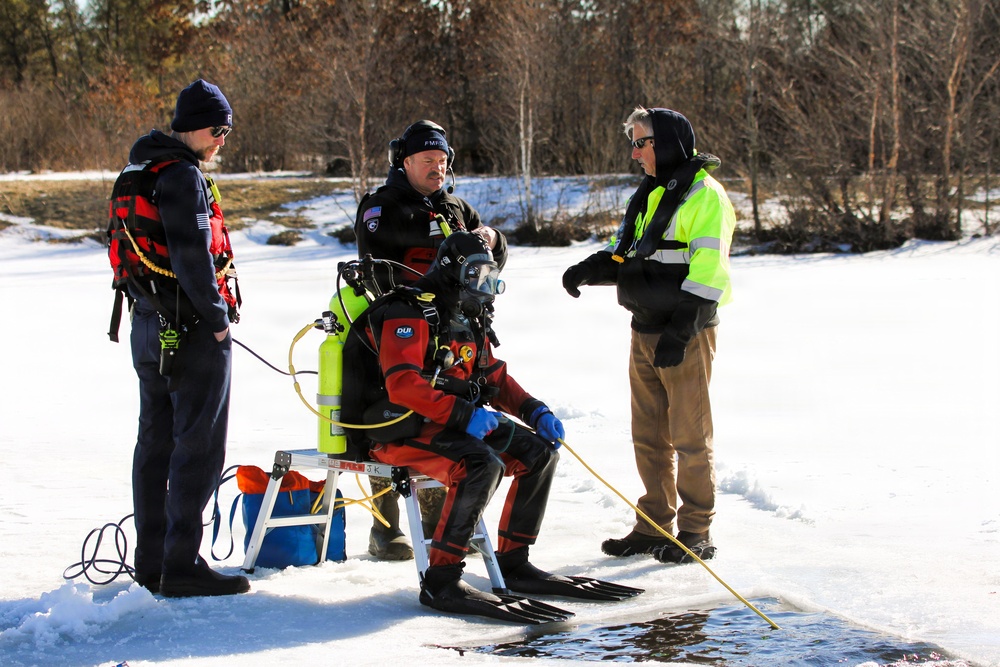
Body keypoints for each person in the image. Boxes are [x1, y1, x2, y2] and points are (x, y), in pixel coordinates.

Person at [342, 232, 641, 622]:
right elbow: (402, 385)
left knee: (538, 454)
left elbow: (492, 377)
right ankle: (441, 579)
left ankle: (514, 562)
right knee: (481, 464)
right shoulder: (408, 312)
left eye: (490, 274)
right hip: (394, 430)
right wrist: (466, 417)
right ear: (452, 272)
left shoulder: (467, 313)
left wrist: (534, 410)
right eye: (475, 274)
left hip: (446, 421)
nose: (484, 284)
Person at [561, 107, 735, 564]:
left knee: (690, 436)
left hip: (686, 334)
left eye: (641, 143)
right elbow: (629, 255)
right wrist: (589, 270)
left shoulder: (705, 196)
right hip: (644, 329)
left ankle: (696, 530)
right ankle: (654, 525)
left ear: (667, 142)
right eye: (633, 143)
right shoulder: (651, 193)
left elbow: (709, 275)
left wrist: (681, 332)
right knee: (649, 436)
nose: (634, 153)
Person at [353, 120, 507, 561]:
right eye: (428, 161)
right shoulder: (381, 206)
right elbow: (381, 245)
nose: (437, 169)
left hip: (454, 332)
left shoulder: (457, 208)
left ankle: (443, 523)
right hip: (394, 331)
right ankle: (385, 529)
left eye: (442, 162)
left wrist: (491, 238)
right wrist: (454, 242)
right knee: (391, 419)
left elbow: (492, 256)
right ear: (406, 162)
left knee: (448, 417)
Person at [120, 80, 249, 597]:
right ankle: (182, 565)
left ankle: (151, 562)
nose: (221, 142)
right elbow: (192, 256)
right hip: (191, 329)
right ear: (195, 126)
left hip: (147, 324)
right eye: (218, 131)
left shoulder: (141, 168)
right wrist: (217, 319)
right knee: (197, 444)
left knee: (155, 442)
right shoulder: (181, 175)